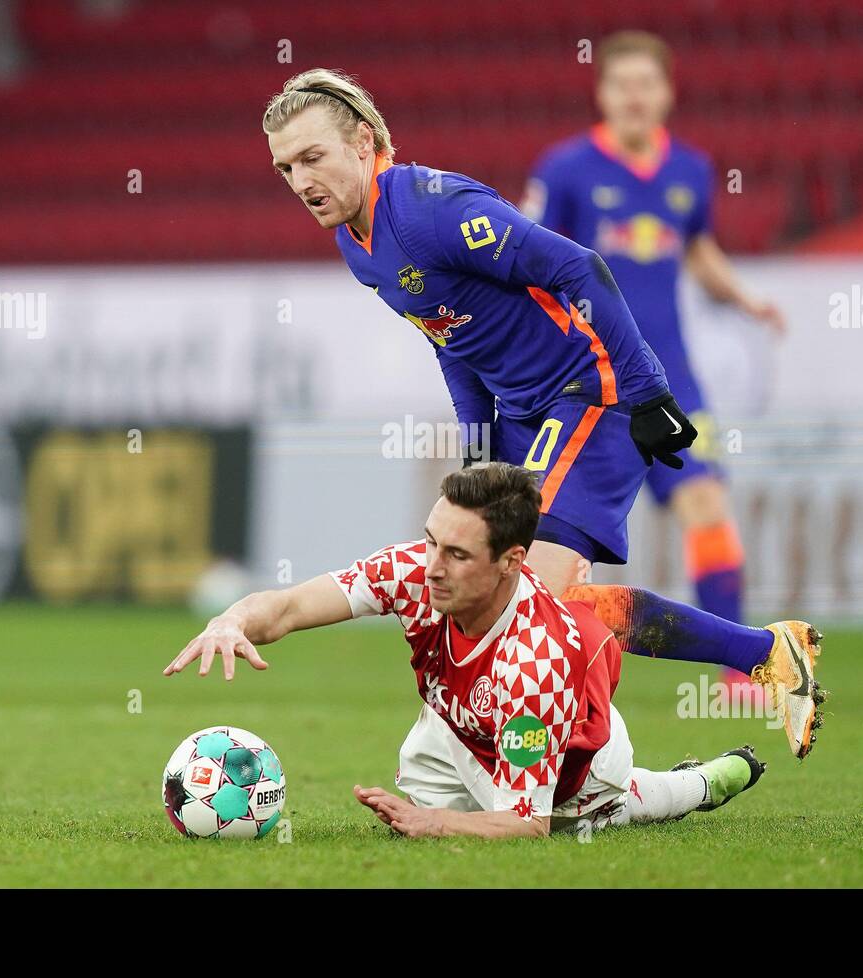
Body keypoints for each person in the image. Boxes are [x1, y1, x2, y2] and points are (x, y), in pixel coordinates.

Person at [260, 69, 824, 758]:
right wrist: (478, 450)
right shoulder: (358, 244)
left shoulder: (432, 209)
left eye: (312, 156)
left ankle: (571, 757)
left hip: (591, 389)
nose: (300, 179)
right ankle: (766, 654)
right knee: (522, 599)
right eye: (285, 167)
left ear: (363, 141)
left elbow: (581, 268)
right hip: (530, 413)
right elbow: (451, 340)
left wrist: (646, 390)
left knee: (520, 599)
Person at [164, 463, 765, 838]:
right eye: (431, 542)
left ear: (512, 562)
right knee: (428, 811)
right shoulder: (413, 572)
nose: (431, 567)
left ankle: (699, 785)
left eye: (456, 555)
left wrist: (438, 822)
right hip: (457, 723)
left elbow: (523, 823)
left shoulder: (535, 658)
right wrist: (232, 618)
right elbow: (290, 608)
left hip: (572, 752)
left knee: (583, 819)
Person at [523, 31, 787, 696]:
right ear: (602, 93)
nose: (635, 96)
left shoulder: (691, 171)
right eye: (622, 85)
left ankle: (740, 669)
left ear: (667, 92)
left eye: (647, 84)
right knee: (565, 540)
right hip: (587, 381)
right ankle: (549, 667)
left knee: (706, 503)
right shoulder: (564, 170)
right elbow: (525, 258)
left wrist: (749, 300)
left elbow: (699, 252)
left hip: (670, 377)